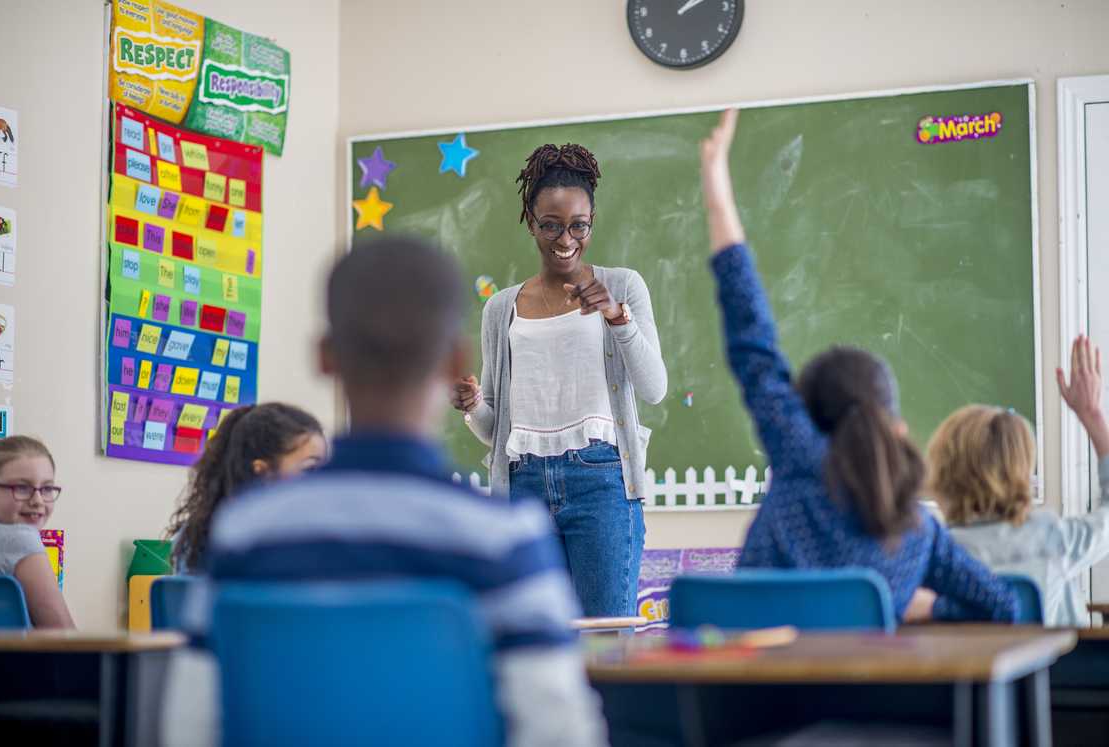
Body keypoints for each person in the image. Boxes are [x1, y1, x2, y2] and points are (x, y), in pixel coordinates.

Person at [164, 236, 606, 747]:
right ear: (453, 360)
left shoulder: (245, 534)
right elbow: (561, 735)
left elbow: (188, 730)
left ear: (325, 358)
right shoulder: (503, 541)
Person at [700, 109, 1017, 622]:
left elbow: (750, 335)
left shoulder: (798, 453)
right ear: (895, 426)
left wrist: (717, 190)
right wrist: (926, 610)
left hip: (752, 698)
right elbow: (1005, 606)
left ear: (804, 412)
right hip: (868, 704)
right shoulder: (917, 531)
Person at [453, 143, 667, 617]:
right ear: (530, 220)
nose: (565, 238)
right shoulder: (500, 309)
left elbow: (653, 389)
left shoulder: (624, 286)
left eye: (578, 226)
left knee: (608, 643)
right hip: (522, 485)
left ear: (591, 222)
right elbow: (497, 431)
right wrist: (471, 404)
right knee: (534, 642)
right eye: (550, 225)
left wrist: (617, 317)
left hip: (603, 484)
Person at [929, 335, 1109, 626]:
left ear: (942, 474)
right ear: (1023, 474)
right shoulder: (1055, 538)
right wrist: (1093, 416)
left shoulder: (935, 555)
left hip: (968, 671)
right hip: (1060, 672)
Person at [164, 403, 326, 573]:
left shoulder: (194, 533)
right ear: (263, 472)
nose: (323, 480)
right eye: (310, 469)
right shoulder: (273, 537)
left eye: (326, 468)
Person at [0, 436, 74, 627]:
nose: (38, 500)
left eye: (47, 488)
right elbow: (63, 636)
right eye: (21, 487)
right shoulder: (20, 539)